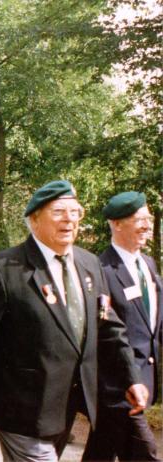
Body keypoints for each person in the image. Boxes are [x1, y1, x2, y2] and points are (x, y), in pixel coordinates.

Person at [0, 180, 148, 461]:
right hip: (22, 408)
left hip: (68, 405)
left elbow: (109, 326)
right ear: (34, 219)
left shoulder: (89, 265)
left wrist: (132, 377)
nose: (68, 219)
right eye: (58, 212)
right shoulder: (3, 269)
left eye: (75, 212)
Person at [82, 191, 162, 461]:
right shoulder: (101, 270)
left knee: (100, 452)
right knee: (144, 453)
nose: (147, 226)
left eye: (148, 218)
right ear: (117, 224)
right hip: (117, 386)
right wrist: (130, 378)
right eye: (139, 219)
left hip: (141, 381)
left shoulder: (148, 265)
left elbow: (153, 323)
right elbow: (105, 333)